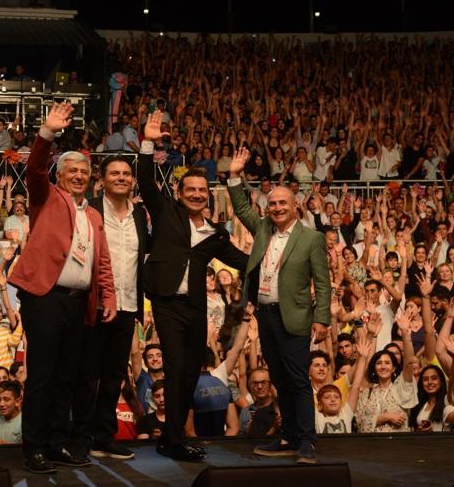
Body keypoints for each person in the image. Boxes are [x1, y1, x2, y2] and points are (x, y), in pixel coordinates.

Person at [8, 102, 116, 474]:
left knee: (66, 377)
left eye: (84, 171)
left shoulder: (95, 214)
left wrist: (108, 296)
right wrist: (48, 132)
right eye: (72, 170)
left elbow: (102, 262)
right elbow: (35, 168)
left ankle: (55, 443)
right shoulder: (47, 197)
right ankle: (34, 447)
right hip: (45, 298)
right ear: (60, 174)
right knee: (42, 375)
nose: (79, 175)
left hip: (78, 303)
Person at [137, 110, 247, 461]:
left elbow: (243, 261)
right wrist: (148, 142)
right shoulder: (166, 211)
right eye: (191, 190)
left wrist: (278, 257)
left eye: (202, 191)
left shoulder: (215, 234)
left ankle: (172, 437)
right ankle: (174, 440)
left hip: (196, 309)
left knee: (189, 372)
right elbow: (145, 180)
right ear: (179, 191)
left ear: (208, 195)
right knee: (175, 367)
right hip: (167, 303)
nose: (197, 195)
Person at [227, 146, 331, 464]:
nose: (276, 208)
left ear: (295, 205)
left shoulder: (311, 238)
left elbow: (322, 282)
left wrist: (322, 318)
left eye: (282, 202)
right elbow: (241, 207)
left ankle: (307, 441)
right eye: (272, 203)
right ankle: (288, 437)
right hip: (266, 315)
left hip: (295, 317)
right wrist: (234, 175)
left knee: (298, 380)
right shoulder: (262, 228)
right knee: (280, 381)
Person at [72, 154, 149, 461]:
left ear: (133, 180)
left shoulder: (139, 214)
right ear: (102, 180)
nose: (121, 178)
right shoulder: (89, 209)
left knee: (114, 375)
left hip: (127, 305)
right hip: (95, 305)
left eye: (126, 174)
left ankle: (104, 437)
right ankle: (80, 438)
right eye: (114, 173)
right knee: (86, 375)